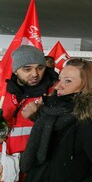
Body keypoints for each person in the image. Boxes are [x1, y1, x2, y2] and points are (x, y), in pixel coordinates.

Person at [20, 58, 92, 182]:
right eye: (60, 79)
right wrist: (36, 117)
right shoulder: (52, 114)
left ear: (87, 85)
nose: (58, 86)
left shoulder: (91, 122)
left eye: (68, 81)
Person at [0, 45, 58, 180]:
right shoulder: (4, 92)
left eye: (40, 68)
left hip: (36, 168)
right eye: (27, 69)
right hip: (6, 167)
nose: (35, 74)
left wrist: (38, 117)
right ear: (15, 71)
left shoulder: (54, 93)